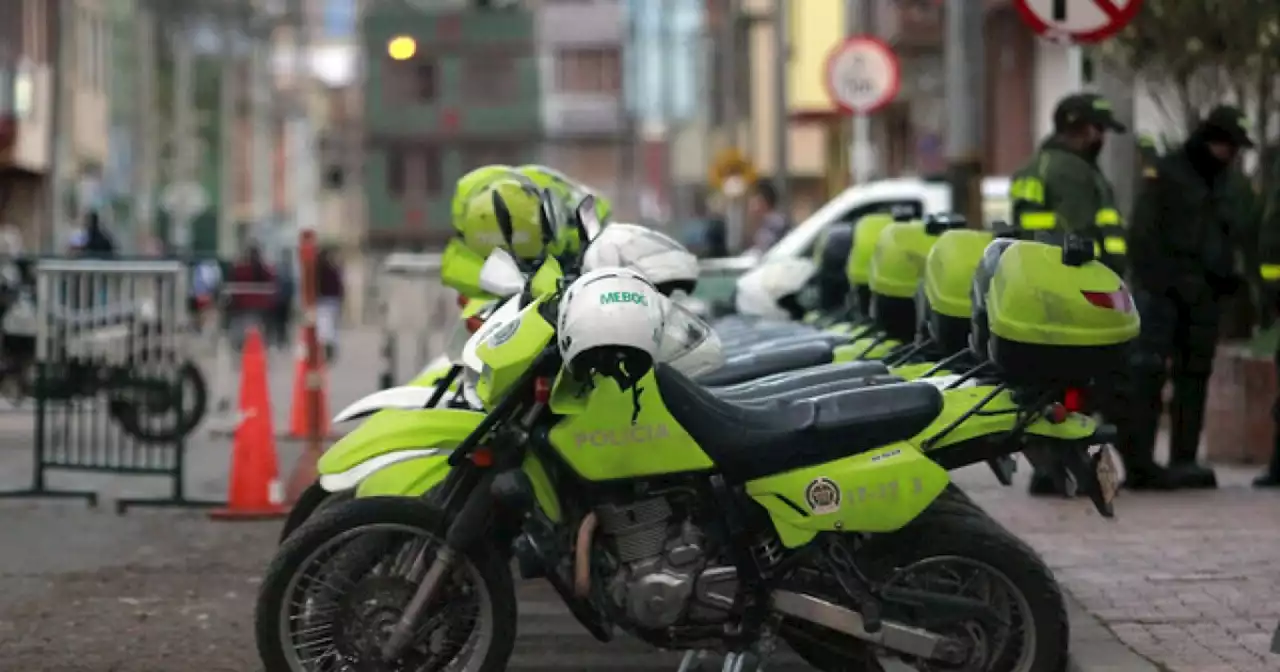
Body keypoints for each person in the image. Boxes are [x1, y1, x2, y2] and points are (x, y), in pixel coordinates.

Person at [1127, 105, 1258, 491]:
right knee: (1149, 374)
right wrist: (1159, 285)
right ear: (1211, 141)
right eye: (1229, 147)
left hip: (1205, 295)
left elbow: (1234, 234)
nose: (1232, 156)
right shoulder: (1167, 174)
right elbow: (1144, 235)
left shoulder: (1227, 183)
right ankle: (1142, 461)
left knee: (1194, 376)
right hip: (1164, 293)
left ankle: (1184, 459)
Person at [1009, 92, 1133, 495]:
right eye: (1098, 130)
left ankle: (1048, 468)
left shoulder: (1034, 166)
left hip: (1036, 287)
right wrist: (1112, 277)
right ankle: (1070, 467)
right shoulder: (1074, 174)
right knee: (1083, 384)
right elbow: (1081, 237)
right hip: (1077, 288)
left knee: (1049, 383)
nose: (1102, 139)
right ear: (1081, 129)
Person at [227, 243, 276, 352]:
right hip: (258, 307)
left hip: (245, 307)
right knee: (257, 333)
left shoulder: (241, 269)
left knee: (245, 334)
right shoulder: (264, 269)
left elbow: (234, 278)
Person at [316, 248, 344, 362]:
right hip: (331, 299)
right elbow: (340, 286)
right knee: (331, 325)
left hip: (324, 299)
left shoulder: (319, 269)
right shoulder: (334, 269)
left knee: (325, 325)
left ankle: (328, 346)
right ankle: (330, 347)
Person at [746, 179, 788, 256]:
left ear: (762, 202)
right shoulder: (767, 223)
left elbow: (764, 253)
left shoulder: (775, 225)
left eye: (753, 202)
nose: (750, 206)